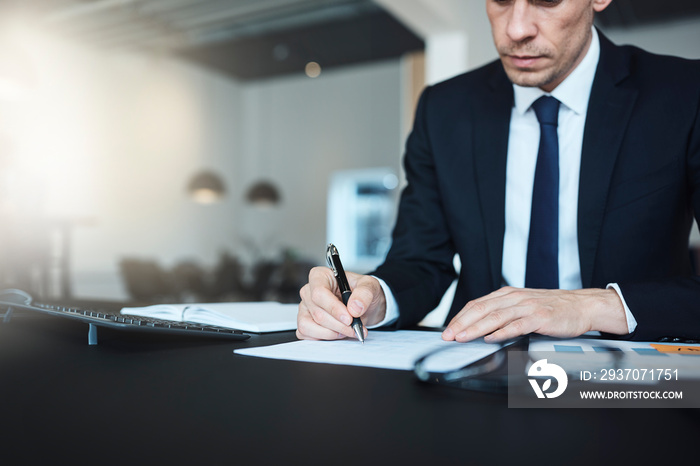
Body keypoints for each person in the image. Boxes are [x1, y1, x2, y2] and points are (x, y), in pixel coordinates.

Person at [297, 0, 700, 343]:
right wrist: (373, 297)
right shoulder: (444, 109)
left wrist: (594, 306)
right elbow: (420, 261)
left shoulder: (684, 94)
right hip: (477, 373)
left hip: (634, 385)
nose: (516, 28)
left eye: (547, 0)